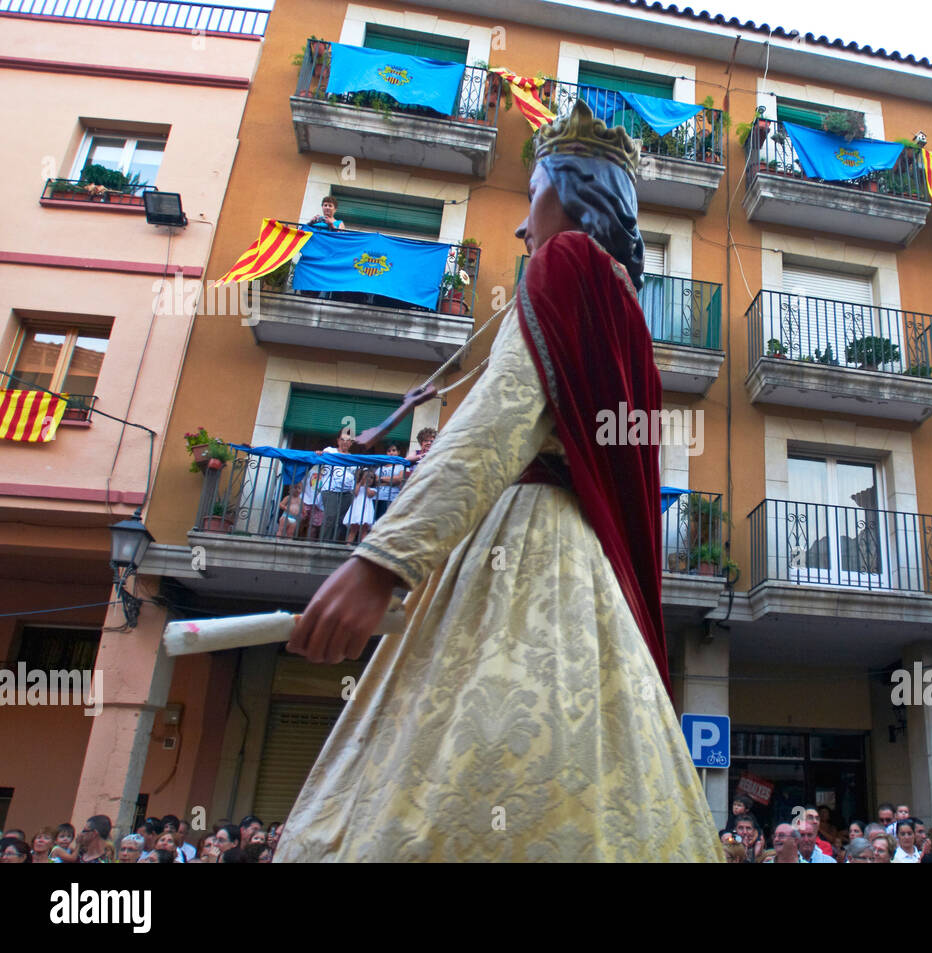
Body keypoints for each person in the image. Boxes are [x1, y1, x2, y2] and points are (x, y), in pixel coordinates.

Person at [275, 100, 719, 863]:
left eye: (531, 195)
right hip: (583, 572)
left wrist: (382, 560)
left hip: (522, 551)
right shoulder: (627, 316)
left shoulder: (564, 266)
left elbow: (497, 427)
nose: (521, 226)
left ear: (572, 196)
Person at [343, 469, 378, 543]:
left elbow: (370, 494)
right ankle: (348, 545)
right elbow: (355, 493)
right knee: (353, 530)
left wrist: (366, 485)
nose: (369, 479)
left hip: (366, 509)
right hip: (356, 509)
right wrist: (361, 482)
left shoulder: (373, 489)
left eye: (371, 477)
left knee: (364, 530)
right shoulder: (357, 486)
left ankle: (362, 547)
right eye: (367, 477)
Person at [373, 445, 406, 521]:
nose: (391, 453)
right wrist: (391, 480)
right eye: (389, 451)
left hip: (391, 498)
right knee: (375, 521)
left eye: (394, 450)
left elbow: (399, 479)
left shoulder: (401, 466)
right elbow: (374, 480)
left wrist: (381, 479)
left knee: (385, 521)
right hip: (377, 497)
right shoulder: (381, 467)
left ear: (398, 452)